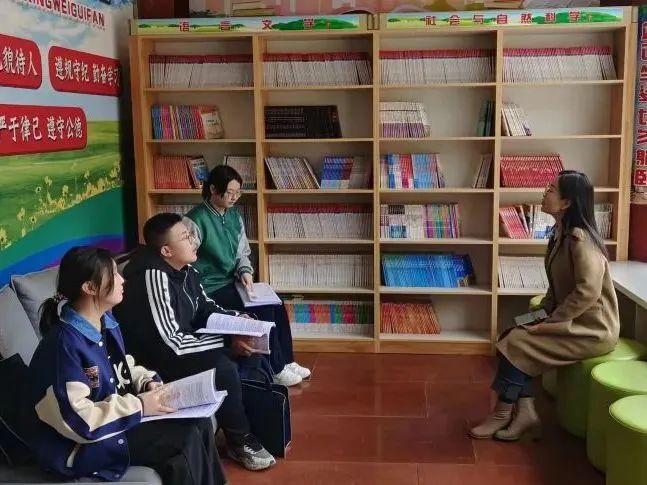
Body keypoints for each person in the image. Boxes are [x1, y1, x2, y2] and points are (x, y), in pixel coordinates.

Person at [22, 246, 226, 485]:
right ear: (90, 288)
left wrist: (146, 382)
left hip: (115, 418)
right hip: (81, 443)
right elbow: (78, 421)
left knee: (200, 423)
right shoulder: (63, 346)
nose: (122, 280)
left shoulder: (104, 320)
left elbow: (122, 364)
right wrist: (140, 405)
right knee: (182, 441)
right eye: (113, 274)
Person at [112, 214, 276, 471]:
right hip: (155, 361)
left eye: (191, 234)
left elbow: (205, 308)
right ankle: (239, 440)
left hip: (182, 344)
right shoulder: (152, 276)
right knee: (222, 366)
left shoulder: (187, 270)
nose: (193, 241)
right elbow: (170, 342)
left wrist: (239, 322)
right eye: (185, 237)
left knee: (250, 348)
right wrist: (226, 342)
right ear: (166, 251)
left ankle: (261, 427)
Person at [470, 170, 620, 441]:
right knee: (511, 331)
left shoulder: (582, 241)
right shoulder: (560, 234)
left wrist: (552, 321)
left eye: (551, 190)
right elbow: (557, 284)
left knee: (516, 342)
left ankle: (502, 414)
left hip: (590, 329)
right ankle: (525, 412)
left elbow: (587, 292)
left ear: (566, 202)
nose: (544, 193)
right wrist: (541, 313)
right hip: (567, 318)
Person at [185, 165, 310, 387]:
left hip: (230, 281)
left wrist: (245, 271)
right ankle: (275, 369)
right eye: (230, 192)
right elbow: (185, 257)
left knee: (276, 303)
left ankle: (286, 360)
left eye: (238, 193)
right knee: (262, 309)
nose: (234, 198)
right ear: (213, 189)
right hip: (209, 286)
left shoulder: (234, 215)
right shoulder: (196, 219)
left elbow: (242, 252)